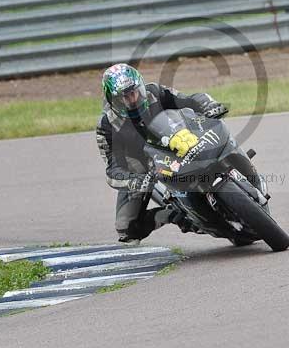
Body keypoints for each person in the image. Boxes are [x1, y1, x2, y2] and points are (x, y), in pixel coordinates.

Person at [95, 63, 228, 243]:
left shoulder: (154, 92)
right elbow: (113, 170)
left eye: (134, 92)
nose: (132, 99)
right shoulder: (106, 125)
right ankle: (175, 215)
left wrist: (209, 105)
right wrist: (133, 179)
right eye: (124, 97)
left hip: (179, 138)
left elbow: (189, 99)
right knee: (126, 228)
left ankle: (238, 168)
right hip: (147, 166)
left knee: (214, 128)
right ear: (112, 100)